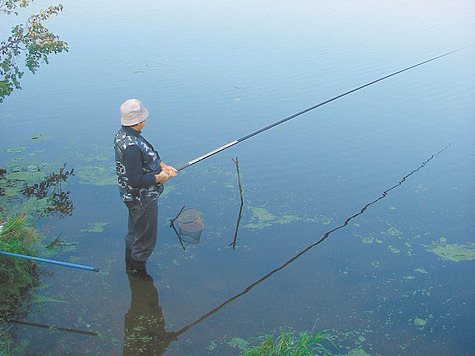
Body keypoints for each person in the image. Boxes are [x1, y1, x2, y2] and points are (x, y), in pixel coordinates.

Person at [114, 99, 177, 276]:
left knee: (135, 232)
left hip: (132, 197)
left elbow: (148, 155)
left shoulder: (125, 134)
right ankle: (137, 271)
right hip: (142, 199)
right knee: (146, 239)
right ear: (139, 120)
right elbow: (136, 180)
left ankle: (131, 265)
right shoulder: (131, 147)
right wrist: (159, 178)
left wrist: (164, 166)